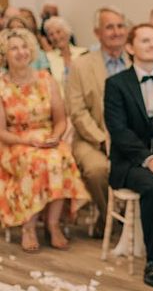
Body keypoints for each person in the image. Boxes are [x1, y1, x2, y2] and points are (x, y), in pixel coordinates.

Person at [105, 24, 153, 287]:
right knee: (152, 187)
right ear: (130, 48)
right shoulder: (116, 84)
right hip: (131, 162)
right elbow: (118, 131)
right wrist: (150, 161)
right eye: (145, 40)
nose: (152, 44)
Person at [0, 28, 89, 251]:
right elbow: (1, 132)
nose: (21, 52)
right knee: (37, 162)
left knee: (61, 157)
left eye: (24, 47)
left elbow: (60, 119)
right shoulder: (1, 86)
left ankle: (53, 223)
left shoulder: (46, 79)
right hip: (15, 143)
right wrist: (29, 142)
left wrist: (55, 137)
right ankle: (28, 227)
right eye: (14, 48)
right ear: (4, 55)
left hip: (48, 139)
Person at [65, 7, 130, 234]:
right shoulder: (81, 65)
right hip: (91, 138)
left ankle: (137, 220)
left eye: (120, 26)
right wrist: (103, 140)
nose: (116, 32)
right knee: (97, 170)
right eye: (109, 27)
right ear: (97, 32)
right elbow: (77, 111)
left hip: (129, 139)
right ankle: (108, 217)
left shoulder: (135, 61)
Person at [44, 16, 87, 93]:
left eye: (58, 32)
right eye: (51, 34)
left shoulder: (83, 53)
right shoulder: (47, 58)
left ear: (67, 32)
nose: (56, 37)